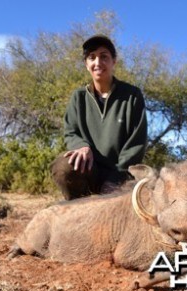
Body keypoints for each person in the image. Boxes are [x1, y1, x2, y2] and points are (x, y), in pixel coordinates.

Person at [51, 34, 148, 200]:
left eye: (104, 56)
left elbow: (136, 143)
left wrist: (116, 179)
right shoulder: (78, 97)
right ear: (86, 64)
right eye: (92, 57)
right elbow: (71, 131)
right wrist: (82, 146)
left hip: (121, 174)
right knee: (64, 166)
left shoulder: (132, 95)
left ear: (113, 61)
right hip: (90, 169)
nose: (98, 62)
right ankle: (78, 208)